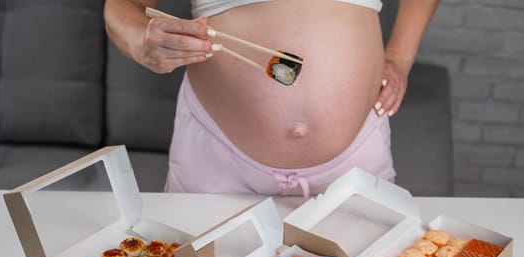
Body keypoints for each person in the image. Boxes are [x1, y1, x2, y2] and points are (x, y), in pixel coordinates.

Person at [104, 0, 439, 197]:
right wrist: (141, 41)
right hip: (217, 156)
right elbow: (122, 6)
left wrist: (399, 58)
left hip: (355, 155)